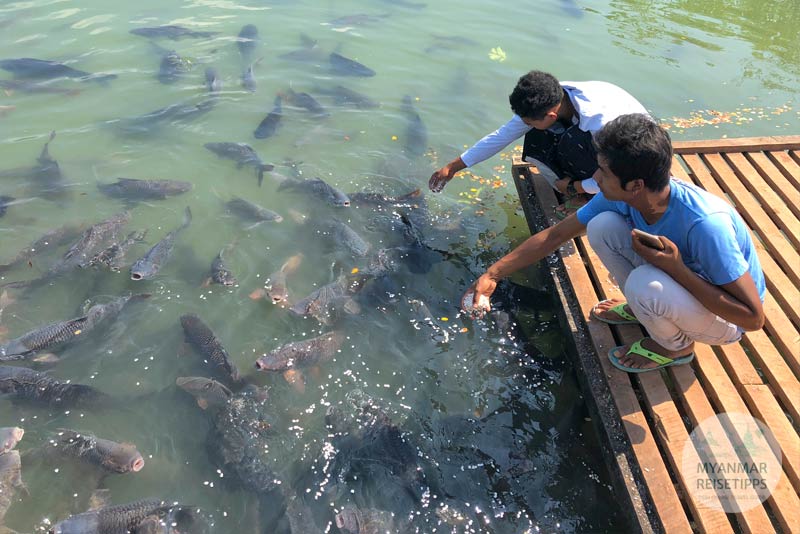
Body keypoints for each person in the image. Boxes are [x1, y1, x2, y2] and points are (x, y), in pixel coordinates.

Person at [464, 113, 765, 372]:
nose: (595, 176)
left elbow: (752, 319)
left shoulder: (706, 225)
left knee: (645, 284)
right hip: (676, 282)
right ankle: (644, 308)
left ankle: (676, 348)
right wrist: (493, 274)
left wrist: (676, 270)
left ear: (635, 185)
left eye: (603, 172)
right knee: (602, 226)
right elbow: (555, 235)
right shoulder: (627, 199)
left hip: (725, 321)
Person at [428, 70, 649, 218]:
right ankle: (578, 188)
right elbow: (502, 136)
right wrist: (453, 167)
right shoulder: (553, 96)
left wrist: (575, 187)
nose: (523, 124)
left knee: (565, 139)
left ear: (551, 115)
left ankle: (587, 199)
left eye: (528, 120)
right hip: (601, 153)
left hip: (632, 164)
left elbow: (620, 176)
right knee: (537, 135)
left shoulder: (602, 124)